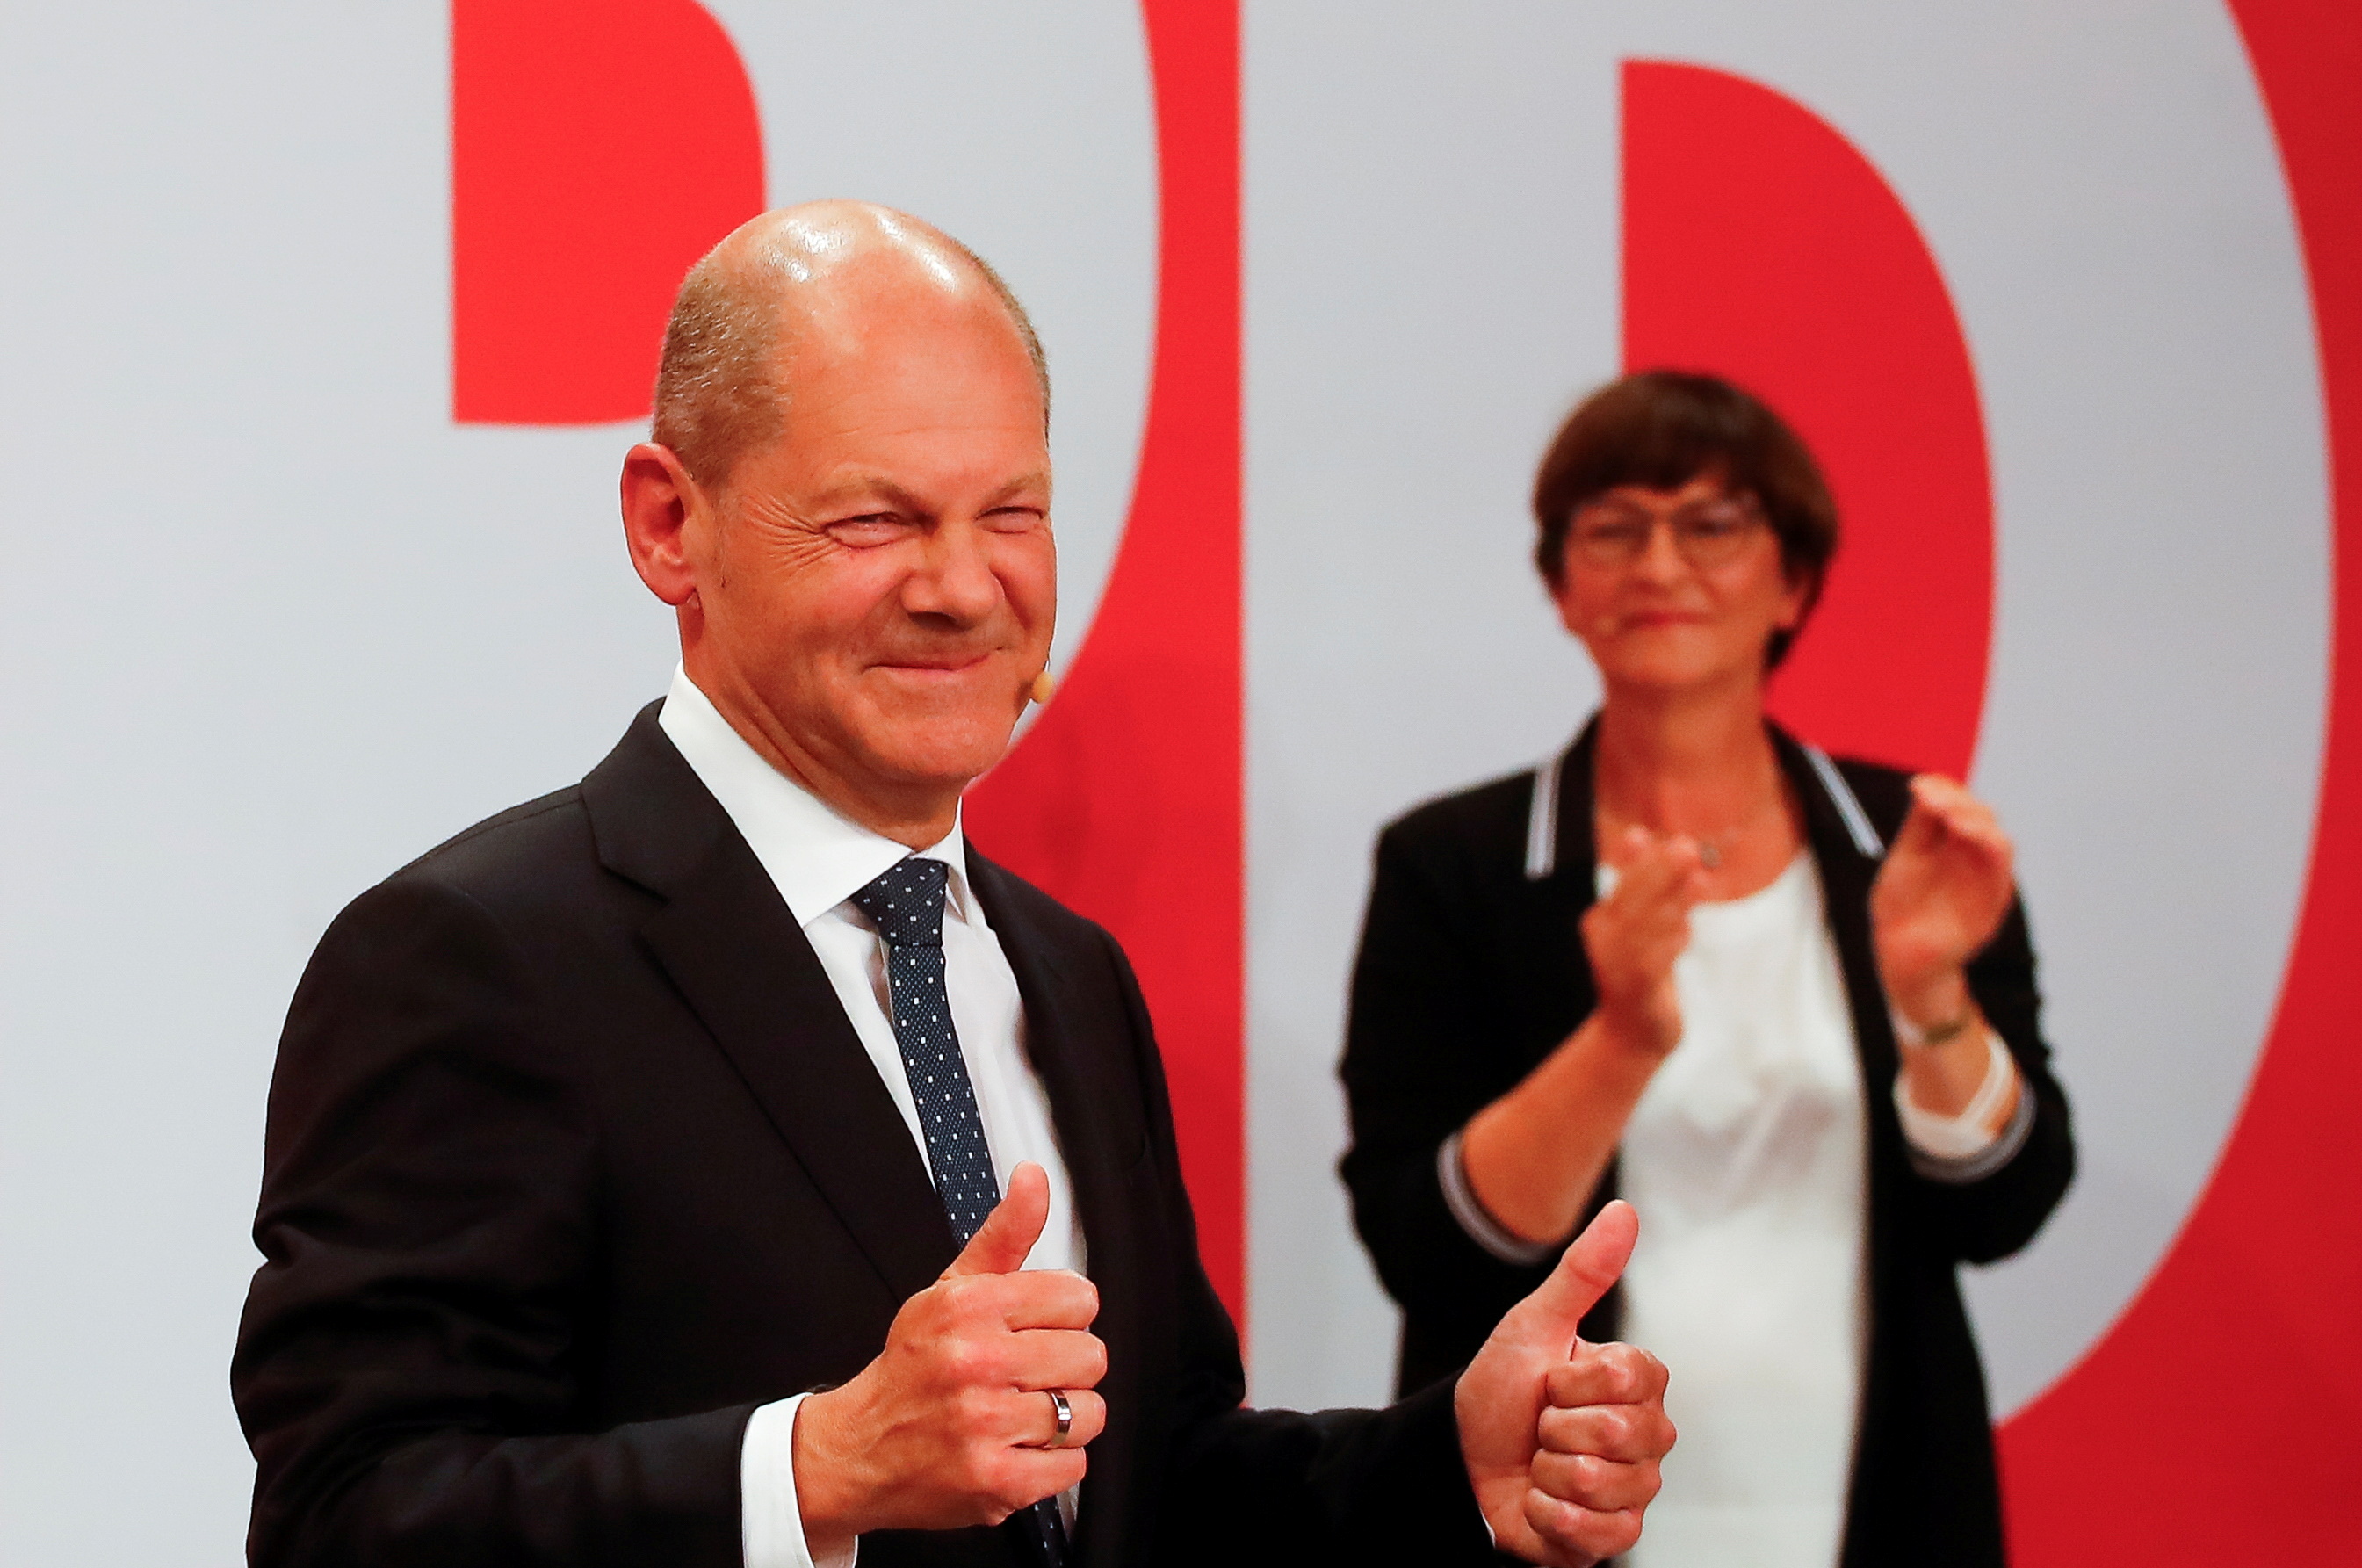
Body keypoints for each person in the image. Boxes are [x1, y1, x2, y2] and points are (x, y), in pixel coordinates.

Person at [232, 203, 1675, 1568]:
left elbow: (1149, 1483)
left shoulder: (1067, 970)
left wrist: (1448, 1468)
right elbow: (343, 1518)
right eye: (875, 520)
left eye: (1010, 512)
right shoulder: (480, 954)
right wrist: (811, 1468)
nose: (964, 588)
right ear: (671, 525)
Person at [1339, 371, 2073, 1568]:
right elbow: (1427, 1245)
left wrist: (1931, 1000)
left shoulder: (1907, 842)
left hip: (1874, 1496)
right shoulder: (1457, 863)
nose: (1661, 565)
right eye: (1613, 528)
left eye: (1712, 524)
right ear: (1561, 586)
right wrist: (1621, 1039)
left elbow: (2006, 1203)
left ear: (1794, 581)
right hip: (1556, 1509)